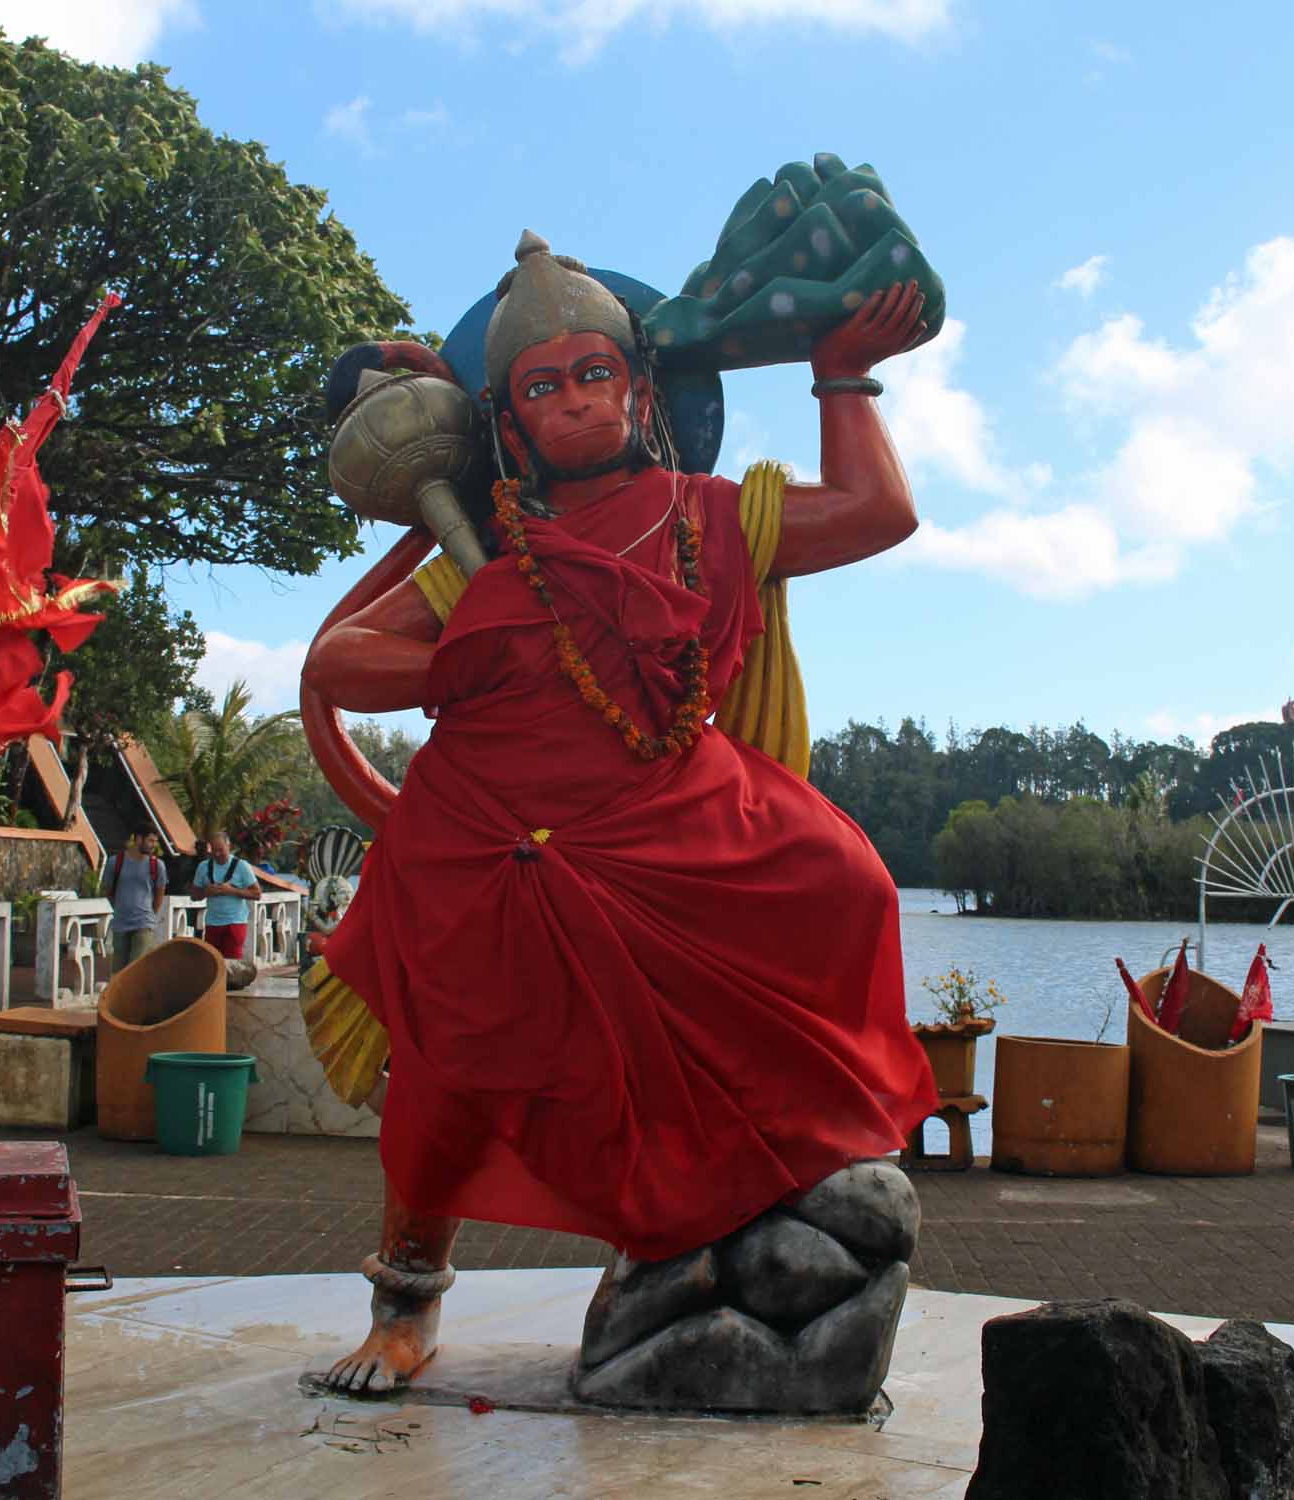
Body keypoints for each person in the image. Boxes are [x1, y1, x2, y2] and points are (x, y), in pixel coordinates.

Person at [302, 233, 937, 1394]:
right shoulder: (494, 552)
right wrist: (480, 628)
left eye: (595, 373)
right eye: (543, 387)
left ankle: (744, 1194)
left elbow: (876, 509)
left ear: (642, 390)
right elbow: (338, 663)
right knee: (449, 1058)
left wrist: (844, 375)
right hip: (486, 834)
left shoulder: (713, 515)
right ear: (510, 420)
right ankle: (404, 1308)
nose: (577, 401)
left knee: (844, 882)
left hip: (666, 806)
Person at [103, 829, 168, 975]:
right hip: (120, 923)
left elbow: (160, 893)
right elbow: (108, 890)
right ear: (139, 839)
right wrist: (119, 907)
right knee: (118, 971)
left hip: (143, 923)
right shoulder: (115, 862)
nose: (153, 845)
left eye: (155, 842)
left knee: (135, 969)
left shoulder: (157, 865)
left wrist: (151, 914)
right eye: (150, 841)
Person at [191, 830, 262, 961]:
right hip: (212, 923)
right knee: (212, 964)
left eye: (220, 850)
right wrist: (206, 892)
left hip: (235, 923)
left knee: (231, 965)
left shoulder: (242, 866)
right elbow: (194, 895)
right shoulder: (203, 867)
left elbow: (257, 894)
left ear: (229, 847)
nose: (217, 854)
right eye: (213, 850)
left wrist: (231, 891)